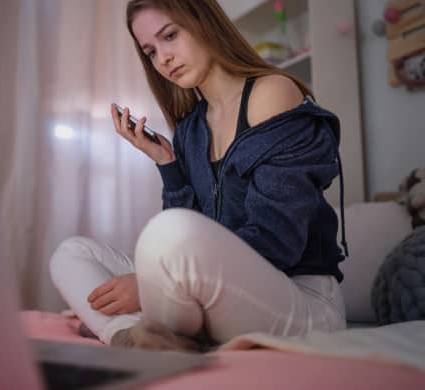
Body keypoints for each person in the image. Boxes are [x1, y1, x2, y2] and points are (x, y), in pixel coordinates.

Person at [50, 0, 348, 351]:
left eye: (170, 36)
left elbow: (276, 241)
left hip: (301, 300)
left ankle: (143, 330)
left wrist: (147, 287)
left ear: (204, 21)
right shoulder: (191, 130)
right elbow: (196, 231)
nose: (163, 59)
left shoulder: (271, 93)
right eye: (150, 51)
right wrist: (168, 164)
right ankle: (126, 336)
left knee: (167, 236)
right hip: (226, 291)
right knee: (72, 253)